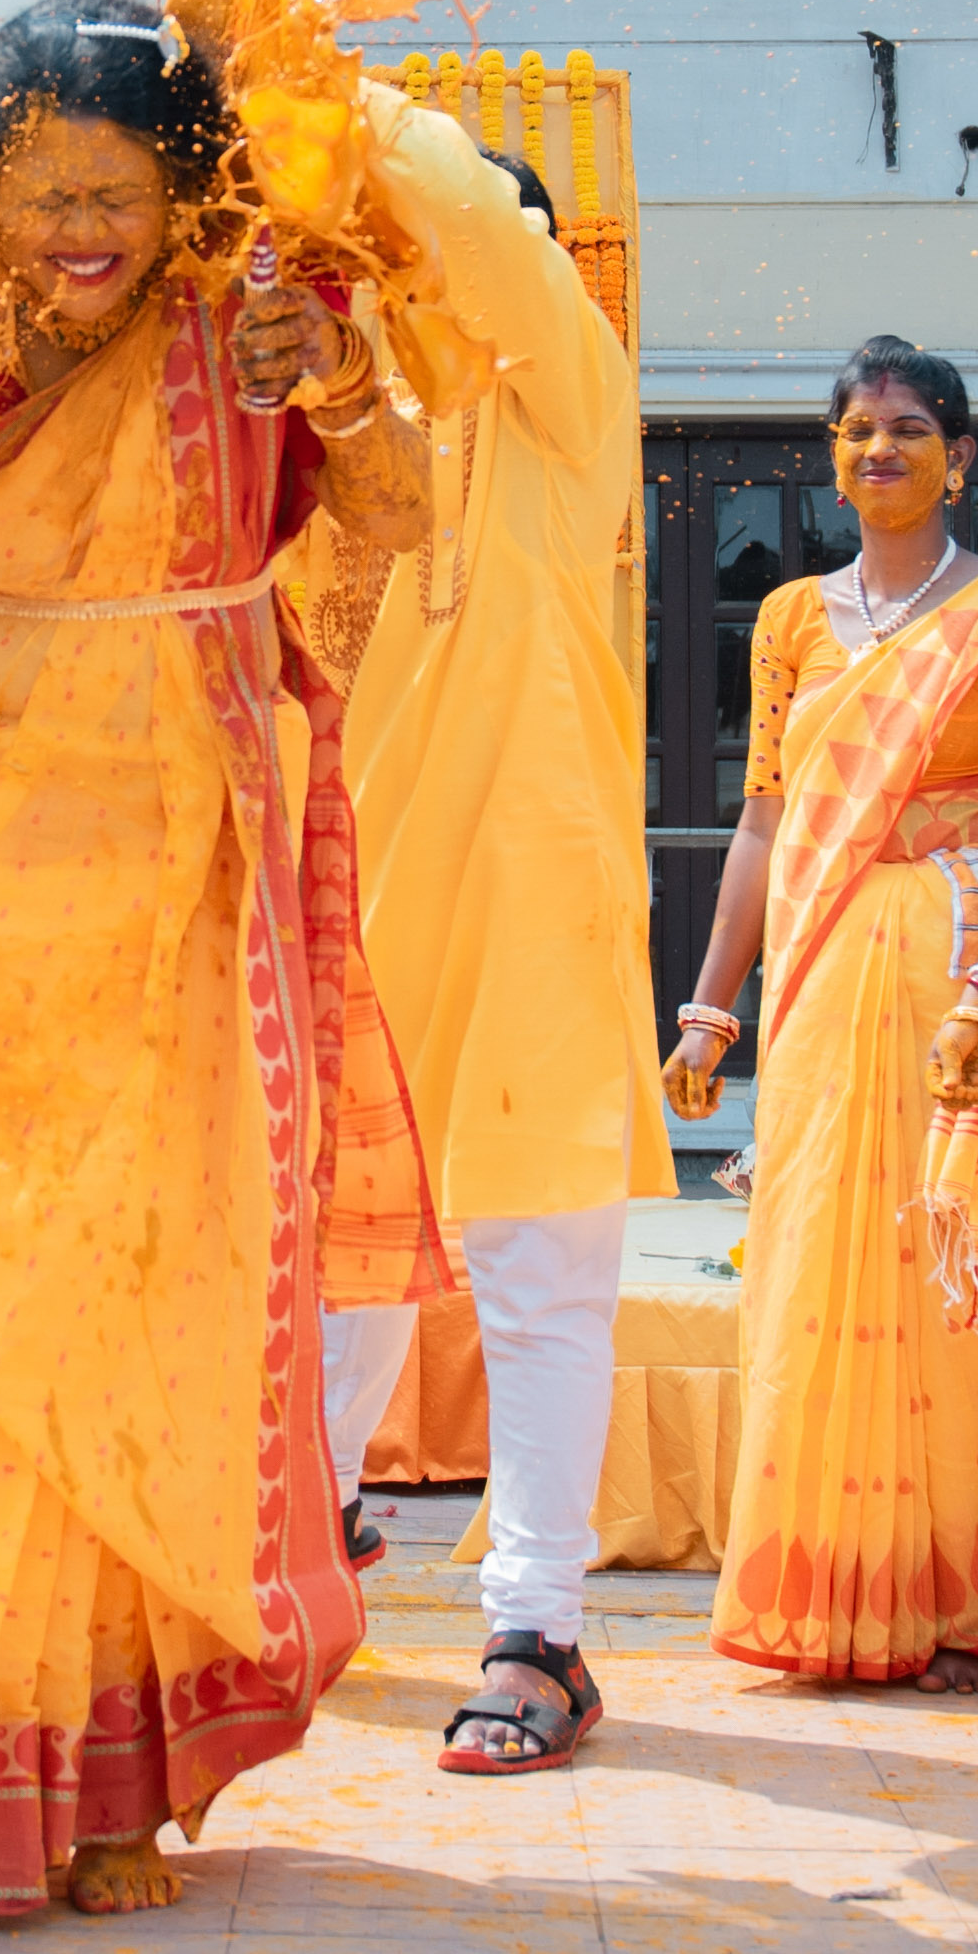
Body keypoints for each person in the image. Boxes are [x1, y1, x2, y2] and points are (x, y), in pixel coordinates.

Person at [0, 0, 432, 1926]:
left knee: (152, 1291)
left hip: (183, 845)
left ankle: (114, 1774)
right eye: (43, 197)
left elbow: (400, 517)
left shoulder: (260, 297)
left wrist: (346, 386)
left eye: (116, 197)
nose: (77, 237)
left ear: (181, 184)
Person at [310, 126, 664, 1768]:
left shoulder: (565, 401)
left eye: (459, 245)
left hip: (533, 874)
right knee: (335, 1235)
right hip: (367, 873)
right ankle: (309, 1535)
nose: (432, 267)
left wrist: (314, 80)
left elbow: (475, 223)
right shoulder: (361, 421)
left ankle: (537, 1630)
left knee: (532, 1267)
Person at [668, 338, 978, 1690]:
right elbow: (766, 826)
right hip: (827, 981)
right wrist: (709, 1011)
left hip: (954, 974)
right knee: (819, 1259)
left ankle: (965, 1593)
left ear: (960, 456)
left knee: (945, 1266)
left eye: (906, 429)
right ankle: (835, 1586)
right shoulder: (788, 619)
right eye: (855, 431)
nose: (878, 451)